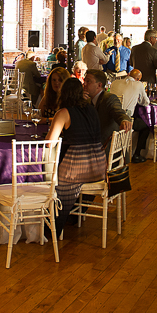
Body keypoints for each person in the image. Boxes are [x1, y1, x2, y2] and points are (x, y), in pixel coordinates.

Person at [46, 77, 107, 234]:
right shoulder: (92, 109)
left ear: (63, 94)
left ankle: (52, 224)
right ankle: (74, 215)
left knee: (50, 177)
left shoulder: (64, 113)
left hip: (77, 168)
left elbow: (49, 143)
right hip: (98, 166)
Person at [83, 69, 132, 147]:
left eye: (88, 81)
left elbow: (118, 112)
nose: (84, 84)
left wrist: (124, 120)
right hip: (91, 143)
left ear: (99, 85)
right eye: (84, 81)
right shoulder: (87, 100)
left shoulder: (109, 98)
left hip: (106, 146)